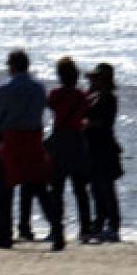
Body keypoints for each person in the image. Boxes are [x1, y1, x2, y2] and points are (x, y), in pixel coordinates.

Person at [0, 49, 65, 251]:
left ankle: (4, 235)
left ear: (12, 66)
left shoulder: (5, 89)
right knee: (40, 188)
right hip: (33, 139)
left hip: (13, 139)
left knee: (4, 189)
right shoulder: (39, 88)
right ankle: (58, 231)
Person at [42, 57, 92, 244]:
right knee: (80, 189)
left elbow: (50, 106)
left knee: (57, 188)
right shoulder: (81, 95)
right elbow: (85, 110)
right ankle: (85, 228)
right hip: (77, 139)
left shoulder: (55, 94)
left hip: (60, 139)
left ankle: (57, 228)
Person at [84, 62, 123, 244]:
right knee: (96, 188)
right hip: (93, 146)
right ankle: (99, 223)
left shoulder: (108, 98)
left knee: (105, 187)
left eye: (96, 78)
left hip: (103, 146)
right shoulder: (94, 96)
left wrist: (85, 124)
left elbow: (103, 123)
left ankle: (112, 225)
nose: (93, 81)